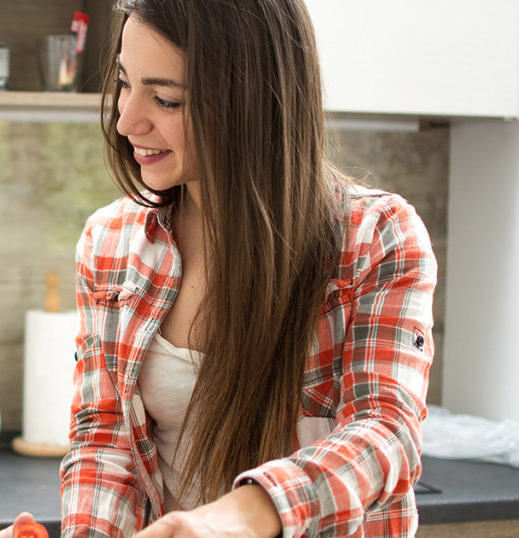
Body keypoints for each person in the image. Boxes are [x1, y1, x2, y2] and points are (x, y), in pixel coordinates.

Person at [52, 0, 436, 536]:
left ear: (252, 101)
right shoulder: (111, 243)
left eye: (165, 99)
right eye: (123, 81)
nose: (125, 119)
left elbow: (385, 433)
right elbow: (103, 441)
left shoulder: (376, 238)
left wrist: (242, 516)